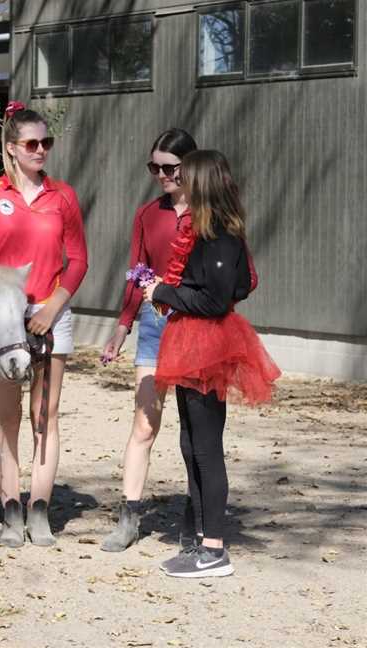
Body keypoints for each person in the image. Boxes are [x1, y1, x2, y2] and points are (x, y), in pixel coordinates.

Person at [144, 149, 280, 577]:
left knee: (205, 447)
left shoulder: (219, 235)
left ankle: (215, 549)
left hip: (206, 347)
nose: (177, 181)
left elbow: (218, 297)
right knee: (191, 444)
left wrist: (163, 293)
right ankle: (202, 539)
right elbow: (237, 284)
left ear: (201, 182)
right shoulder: (210, 232)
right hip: (191, 344)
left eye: (185, 175)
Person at [0, 101, 88, 547]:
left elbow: (78, 260)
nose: (41, 150)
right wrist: (4, 305)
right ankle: (11, 507)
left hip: (53, 314)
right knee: (8, 416)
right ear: (13, 148)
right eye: (32, 143)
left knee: (46, 415)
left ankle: (40, 509)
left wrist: (53, 306)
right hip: (8, 323)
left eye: (46, 143)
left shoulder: (64, 197)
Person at [100, 128, 198, 552]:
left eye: (169, 167)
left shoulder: (211, 212)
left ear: (190, 165)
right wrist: (122, 326)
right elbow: (135, 272)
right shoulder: (147, 214)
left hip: (198, 327)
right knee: (144, 423)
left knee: (197, 430)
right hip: (154, 324)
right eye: (153, 167)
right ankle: (129, 516)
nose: (160, 175)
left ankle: (198, 514)